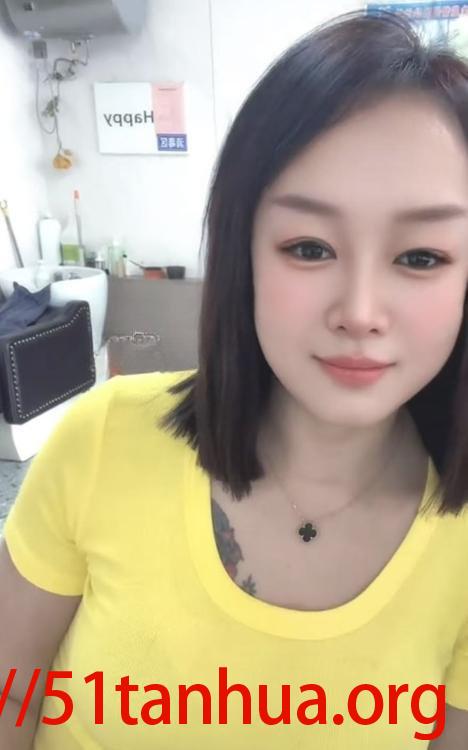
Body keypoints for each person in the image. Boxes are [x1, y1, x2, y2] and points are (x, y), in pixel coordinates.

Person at [2, 8, 468, 749]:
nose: (359, 312)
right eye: (309, 247)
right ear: (241, 252)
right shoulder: (102, 442)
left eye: (420, 257)